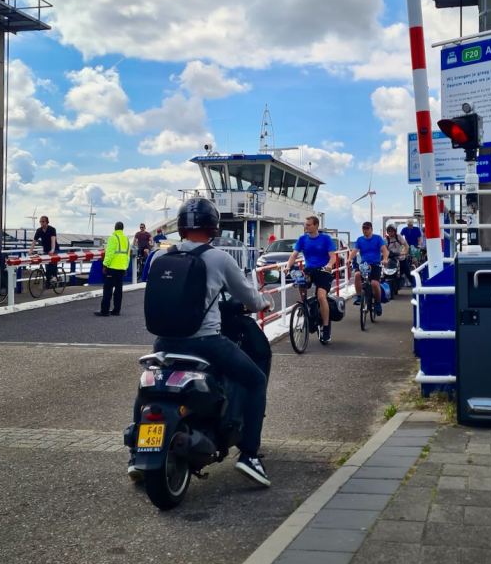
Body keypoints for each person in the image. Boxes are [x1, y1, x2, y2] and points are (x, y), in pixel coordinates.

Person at [133, 197, 274, 486]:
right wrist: (266, 302)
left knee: (149, 384)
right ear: (213, 227)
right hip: (205, 342)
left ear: (181, 227)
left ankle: (138, 453)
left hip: (164, 342)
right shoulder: (219, 258)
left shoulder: (160, 257)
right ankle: (250, 455)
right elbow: (249, 297)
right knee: (255, 379)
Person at [283, 215, 337, 342]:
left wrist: (329, 265)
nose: (305, 227)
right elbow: (294, 255)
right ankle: (305, 310)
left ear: (316, 225)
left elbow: (333, 256)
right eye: (305, 224)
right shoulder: (302, 239)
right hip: (309, 270)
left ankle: (325, 327)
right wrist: (287, 266)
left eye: (308, 225)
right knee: (301, 284)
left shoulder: (325, 239)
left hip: (323, 271)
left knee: (321, 296)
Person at [349, 221, 388, 316]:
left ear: (371, 229)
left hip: (375, 264)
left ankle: (378, 303)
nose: (365, 231)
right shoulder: (360, 240)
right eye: (363, 229)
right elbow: (354, 251)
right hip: (364, 265)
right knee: (357, 275)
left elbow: (384, 250)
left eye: (367, 229)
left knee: (374, 283)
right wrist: (349, 259)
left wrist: (385, 259)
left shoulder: (377, 238)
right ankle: (359, 297)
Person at [97, 221, 130, 317]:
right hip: (122, 268)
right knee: (118, 290)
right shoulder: (126, 239)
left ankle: (104, 311)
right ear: (122, 229)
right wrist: (126, 267)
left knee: (107, 289)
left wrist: (105, 265)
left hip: (112, 267)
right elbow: (127, 255)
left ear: (115, 228)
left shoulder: (113, 238)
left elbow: (109, 253)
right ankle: (116, 310)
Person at [31, 215, 58, 286]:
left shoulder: (52, 229)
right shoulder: (39, 230)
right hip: (45, 248)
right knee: (47, 264)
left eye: (43, 222)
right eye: (40, 221)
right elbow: (34, 241)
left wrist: (52, 250)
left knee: (53, 262)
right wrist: (30, 250)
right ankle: (49, 280)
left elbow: (53, 240)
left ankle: (55, 276)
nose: (41, 223)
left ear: (47, 222)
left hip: (54, 248)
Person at [399, 219, 423, 285]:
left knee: (415, 260)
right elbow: (400, 236)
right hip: (407, 246)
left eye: (411, 224)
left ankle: (418, 272)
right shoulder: (404, 229)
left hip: (415, 246)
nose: (410, 226)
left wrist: (419, 245)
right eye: (409, 224)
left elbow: (419, 239)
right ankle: (403, 274)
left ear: (412, 224)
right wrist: (401, 244)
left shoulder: (416, 229)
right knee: (403, 258)